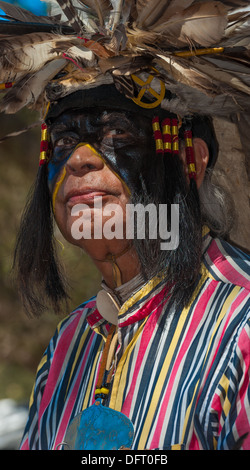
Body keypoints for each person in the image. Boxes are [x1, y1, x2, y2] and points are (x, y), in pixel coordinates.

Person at [0, 0, 249, 450]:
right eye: (63, 141)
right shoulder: (69, 343)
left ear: (189, 159)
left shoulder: (242, 324)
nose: (79, 159)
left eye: (117, 135)